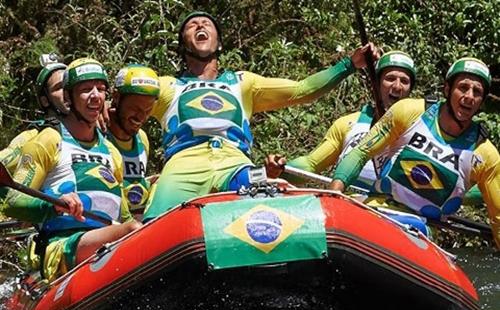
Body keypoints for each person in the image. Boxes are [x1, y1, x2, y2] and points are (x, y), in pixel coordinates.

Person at [142, 11, 379, 221]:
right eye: (192, 25)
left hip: (236, 165)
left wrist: (350, 64)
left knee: (274, 192)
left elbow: (302, 90)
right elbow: (125, 106)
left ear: (220, 43)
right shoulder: (166, 86)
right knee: (154, 221)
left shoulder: (244, 82)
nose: (201, 26)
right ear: (182, 44)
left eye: (207, 23)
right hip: (184, 164)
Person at [330, 57, 500, 248]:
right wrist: (335, 193)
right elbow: (361, 152)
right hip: (374, 205)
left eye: (476, 92)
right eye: (463, 87)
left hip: (420, 228)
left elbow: (498, 218)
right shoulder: (409, 111)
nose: (469, 96)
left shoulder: (486, 155)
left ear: (481, 102)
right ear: (447, 89)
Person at [3, 58, 142, 281]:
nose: (95, 96)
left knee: (137, 227)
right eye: (86, 90)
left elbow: (123, 216)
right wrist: (54, 205)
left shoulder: (112, 152)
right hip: (61, 246)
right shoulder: (49, 140)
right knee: (133, 231)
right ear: (68, 98)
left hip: (104, 241)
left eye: (101, 89)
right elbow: (12, 202)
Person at [265, 50, 416, 191]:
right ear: (376, 84)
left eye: (404, 81)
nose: (397, 86)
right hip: (348, 206)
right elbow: (311, 164)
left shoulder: (420, 128)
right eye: (390, 79)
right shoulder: (348, 124)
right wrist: (280, 169)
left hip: (390, 214)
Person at [0, 60, 68, 178]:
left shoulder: (98, 130)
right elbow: (5, 159)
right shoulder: (34, 135)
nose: (67, 92)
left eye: (70, 86)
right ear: (45, 101)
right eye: (59, 88)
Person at [106, 64, 160, 213]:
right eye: (135, 108)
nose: (141, 117)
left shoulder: (142, 137)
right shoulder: (97, 132)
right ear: (116, 97)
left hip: (139, 222)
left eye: (148, 110)